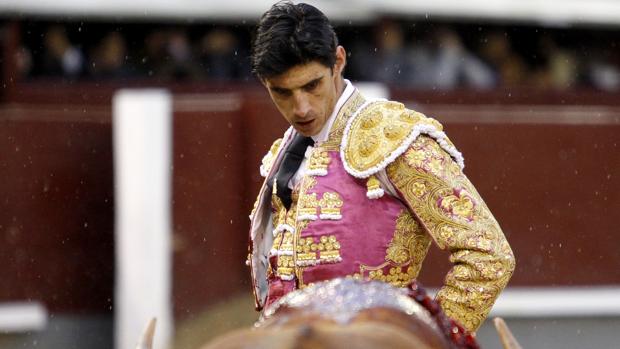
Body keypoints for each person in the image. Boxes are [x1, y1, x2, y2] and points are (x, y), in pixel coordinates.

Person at [247, 1, 515, 333]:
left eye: (311, 85)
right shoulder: (284, 154)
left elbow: (487, 254)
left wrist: (430, 338)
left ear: (339, 62)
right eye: (282, 92)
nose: (300, 107)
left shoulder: (393, 138)